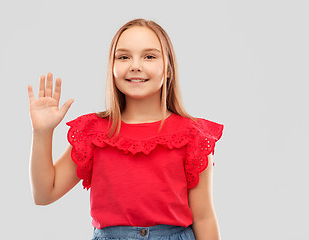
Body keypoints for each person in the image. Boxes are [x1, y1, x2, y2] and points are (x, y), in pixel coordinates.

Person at [27, 18, 224, 240]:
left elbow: (204, 217)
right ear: (112, 67)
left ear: (168, 68)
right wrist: (42, 133)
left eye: (149, 56)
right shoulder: (94, 133)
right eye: (123, 57)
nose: (135, 65)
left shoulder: (192, 135)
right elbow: (44, 193)